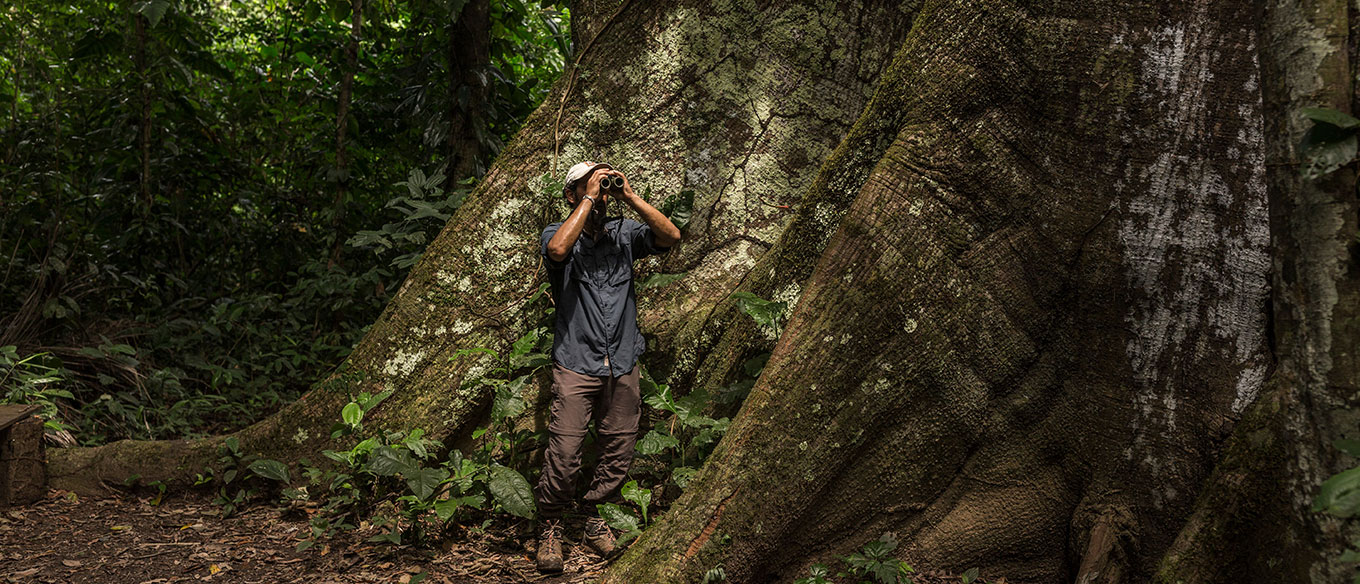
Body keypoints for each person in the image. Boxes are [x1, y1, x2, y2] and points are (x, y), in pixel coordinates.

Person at [533, 161, 682, 572]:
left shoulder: (624, 234)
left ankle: (597, 519)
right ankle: (550, 525)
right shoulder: (556, 233)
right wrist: (588, 200)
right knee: (564, 453)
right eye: (592, 182)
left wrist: (627, 196)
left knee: (618, 448)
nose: (602, 188)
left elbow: (671, 236)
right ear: (571, 194)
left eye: (606, 179)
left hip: (622, 360)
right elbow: (559, 250)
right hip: (577, 362)